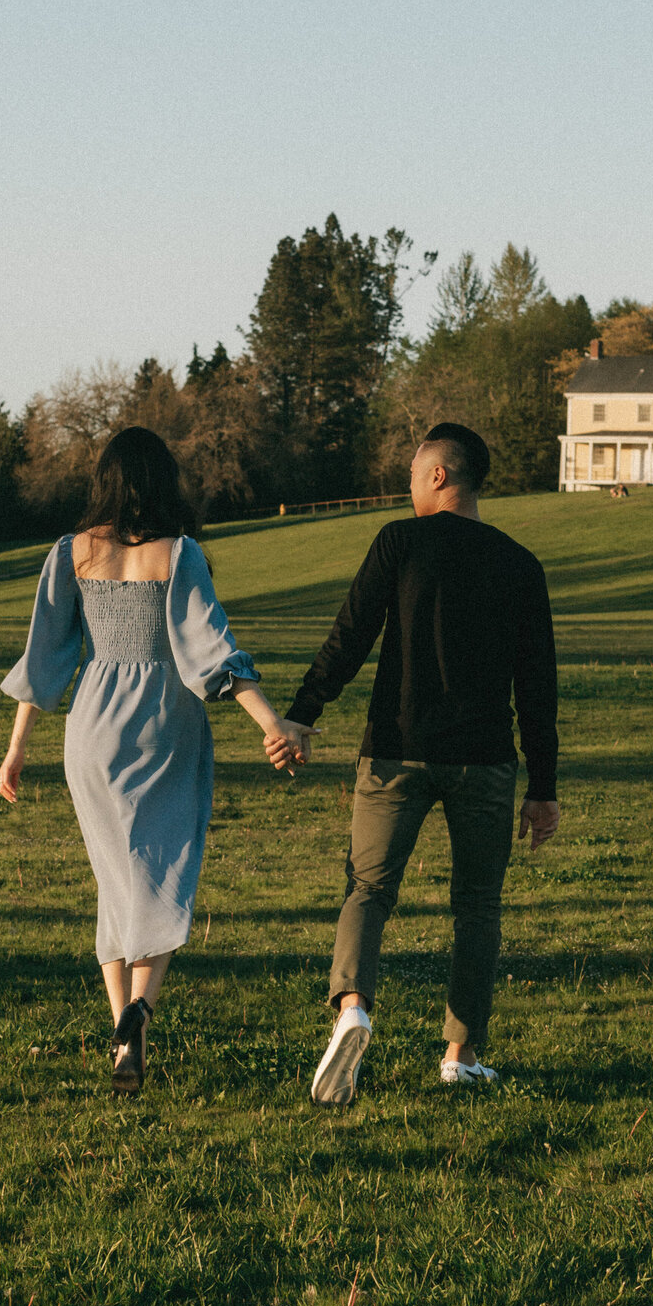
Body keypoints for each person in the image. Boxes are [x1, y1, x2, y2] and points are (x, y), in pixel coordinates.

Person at [0, 427, 307, 1095]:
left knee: (114, 880)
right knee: (165, 868)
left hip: (94, 723)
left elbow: (45, 658)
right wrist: (270, 721)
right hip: (166, 720)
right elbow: (210, 650)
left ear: (104, 479)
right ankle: (142, 1008)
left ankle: (121, 1036)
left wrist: (17, 747)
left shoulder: (72, 552)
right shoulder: (180, 553)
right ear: (163, 480)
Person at [266, 423, 560, 1106]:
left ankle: (353, 1010)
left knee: (368, 889)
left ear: (438, 476)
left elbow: (351, 634)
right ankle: (460, 1054)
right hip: (485, 760)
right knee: (477, 907)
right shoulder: (521, 564)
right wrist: (542, 788)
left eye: (411, 472)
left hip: (396, 749)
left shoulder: (400, 541)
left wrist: (303, 712)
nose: (407, 484)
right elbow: (537, 685)